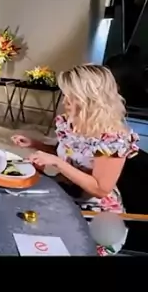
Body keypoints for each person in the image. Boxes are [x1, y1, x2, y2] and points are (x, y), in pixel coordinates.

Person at [11, 64, 139, 255]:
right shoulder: (70, 121)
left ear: (90, 98)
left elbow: (100, 189)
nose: (65, 101)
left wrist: (57, 163)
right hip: (65, 194)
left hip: (95, 213)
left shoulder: (112, 139)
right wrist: (35, 144)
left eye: (71, 96)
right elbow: (68, 155)